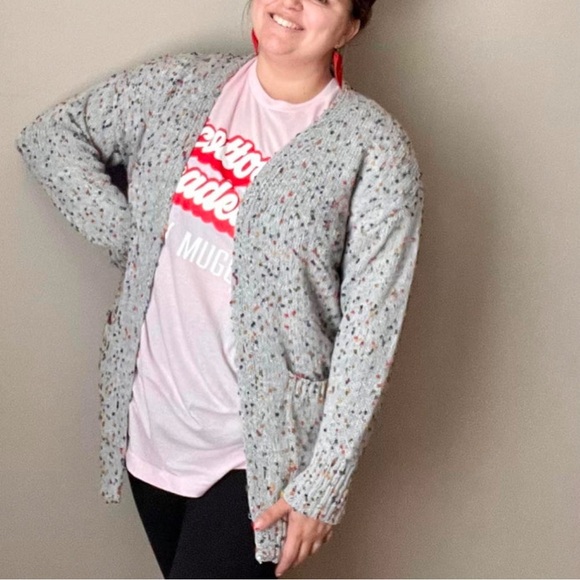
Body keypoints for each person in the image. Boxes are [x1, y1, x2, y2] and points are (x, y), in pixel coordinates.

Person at [16, 0, 423, 577]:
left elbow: (371, 332)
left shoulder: (373, 147)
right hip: (152, 429)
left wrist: (325, 483)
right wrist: (136, 242)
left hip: (257, 456)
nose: (292, 3)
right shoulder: (182, 84)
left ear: (351, 26)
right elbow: (51, 138)